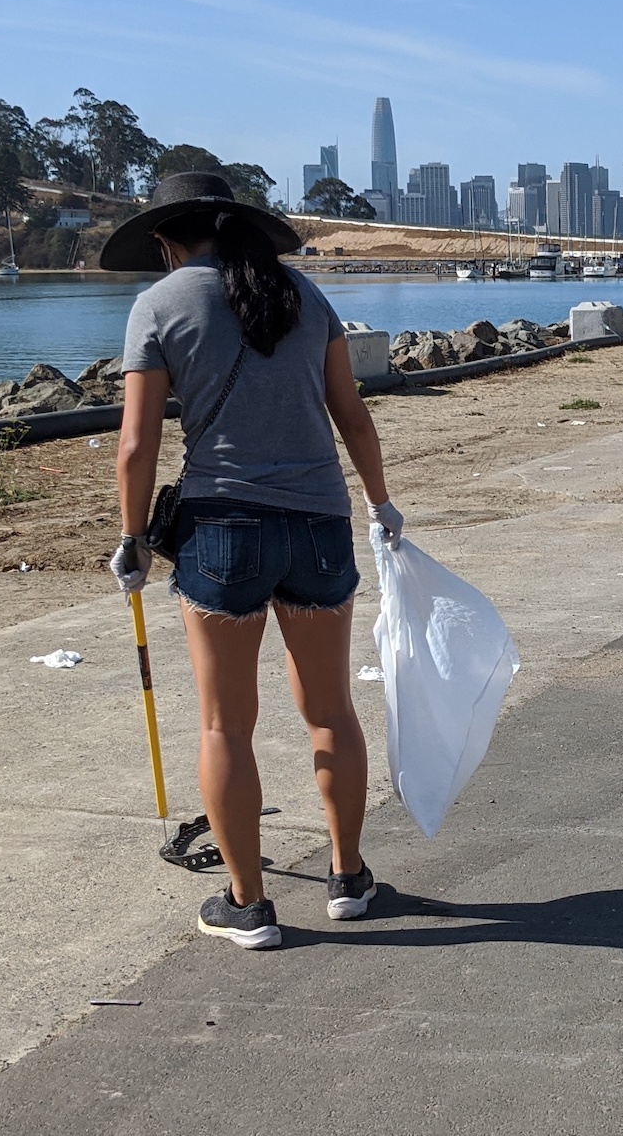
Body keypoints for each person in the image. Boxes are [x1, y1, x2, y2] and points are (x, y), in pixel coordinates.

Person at [103, 173, 403, 949]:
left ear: (169, 240)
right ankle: (348, 877)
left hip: (222, 531)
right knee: (330, 709)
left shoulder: (160, 306)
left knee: (225, 724)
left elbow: (136, 445)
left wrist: (132, 537)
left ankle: (248, 903)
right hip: (318, 525)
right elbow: (352, 415)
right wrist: (380, 503)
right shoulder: (306, 297)